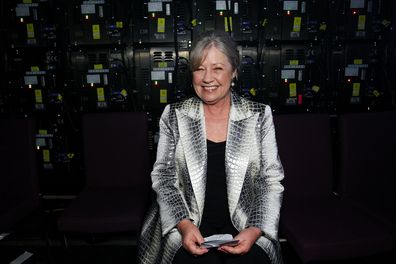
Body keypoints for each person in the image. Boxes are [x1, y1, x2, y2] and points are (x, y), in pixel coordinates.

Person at [138, 30, 284, 264]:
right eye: (199, 68)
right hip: (188, 222)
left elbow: (270, 181)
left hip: (246, 223)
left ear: (234, 71)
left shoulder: (258, 115)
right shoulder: (174, 115)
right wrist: (184, 226)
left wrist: (255, 229)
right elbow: (163, 178)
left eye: (217, 68)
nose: (207, 78)